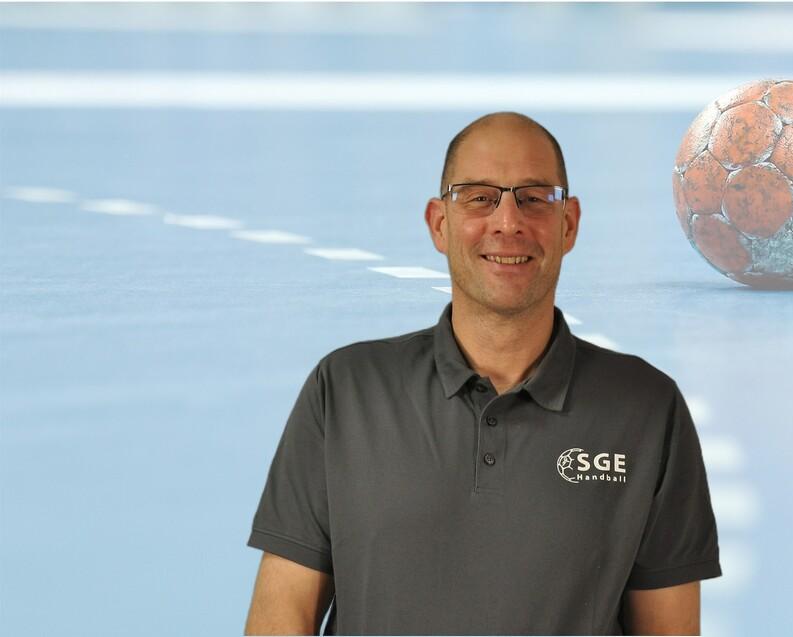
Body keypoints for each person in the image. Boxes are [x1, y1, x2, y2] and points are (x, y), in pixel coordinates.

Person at [244, 112, 721, 635]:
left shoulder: (647, 408)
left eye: (535, 197)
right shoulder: (345, 390)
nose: (508, 222)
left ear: (569, 225)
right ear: (439, 223)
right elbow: (281, 616)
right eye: (479, 197)